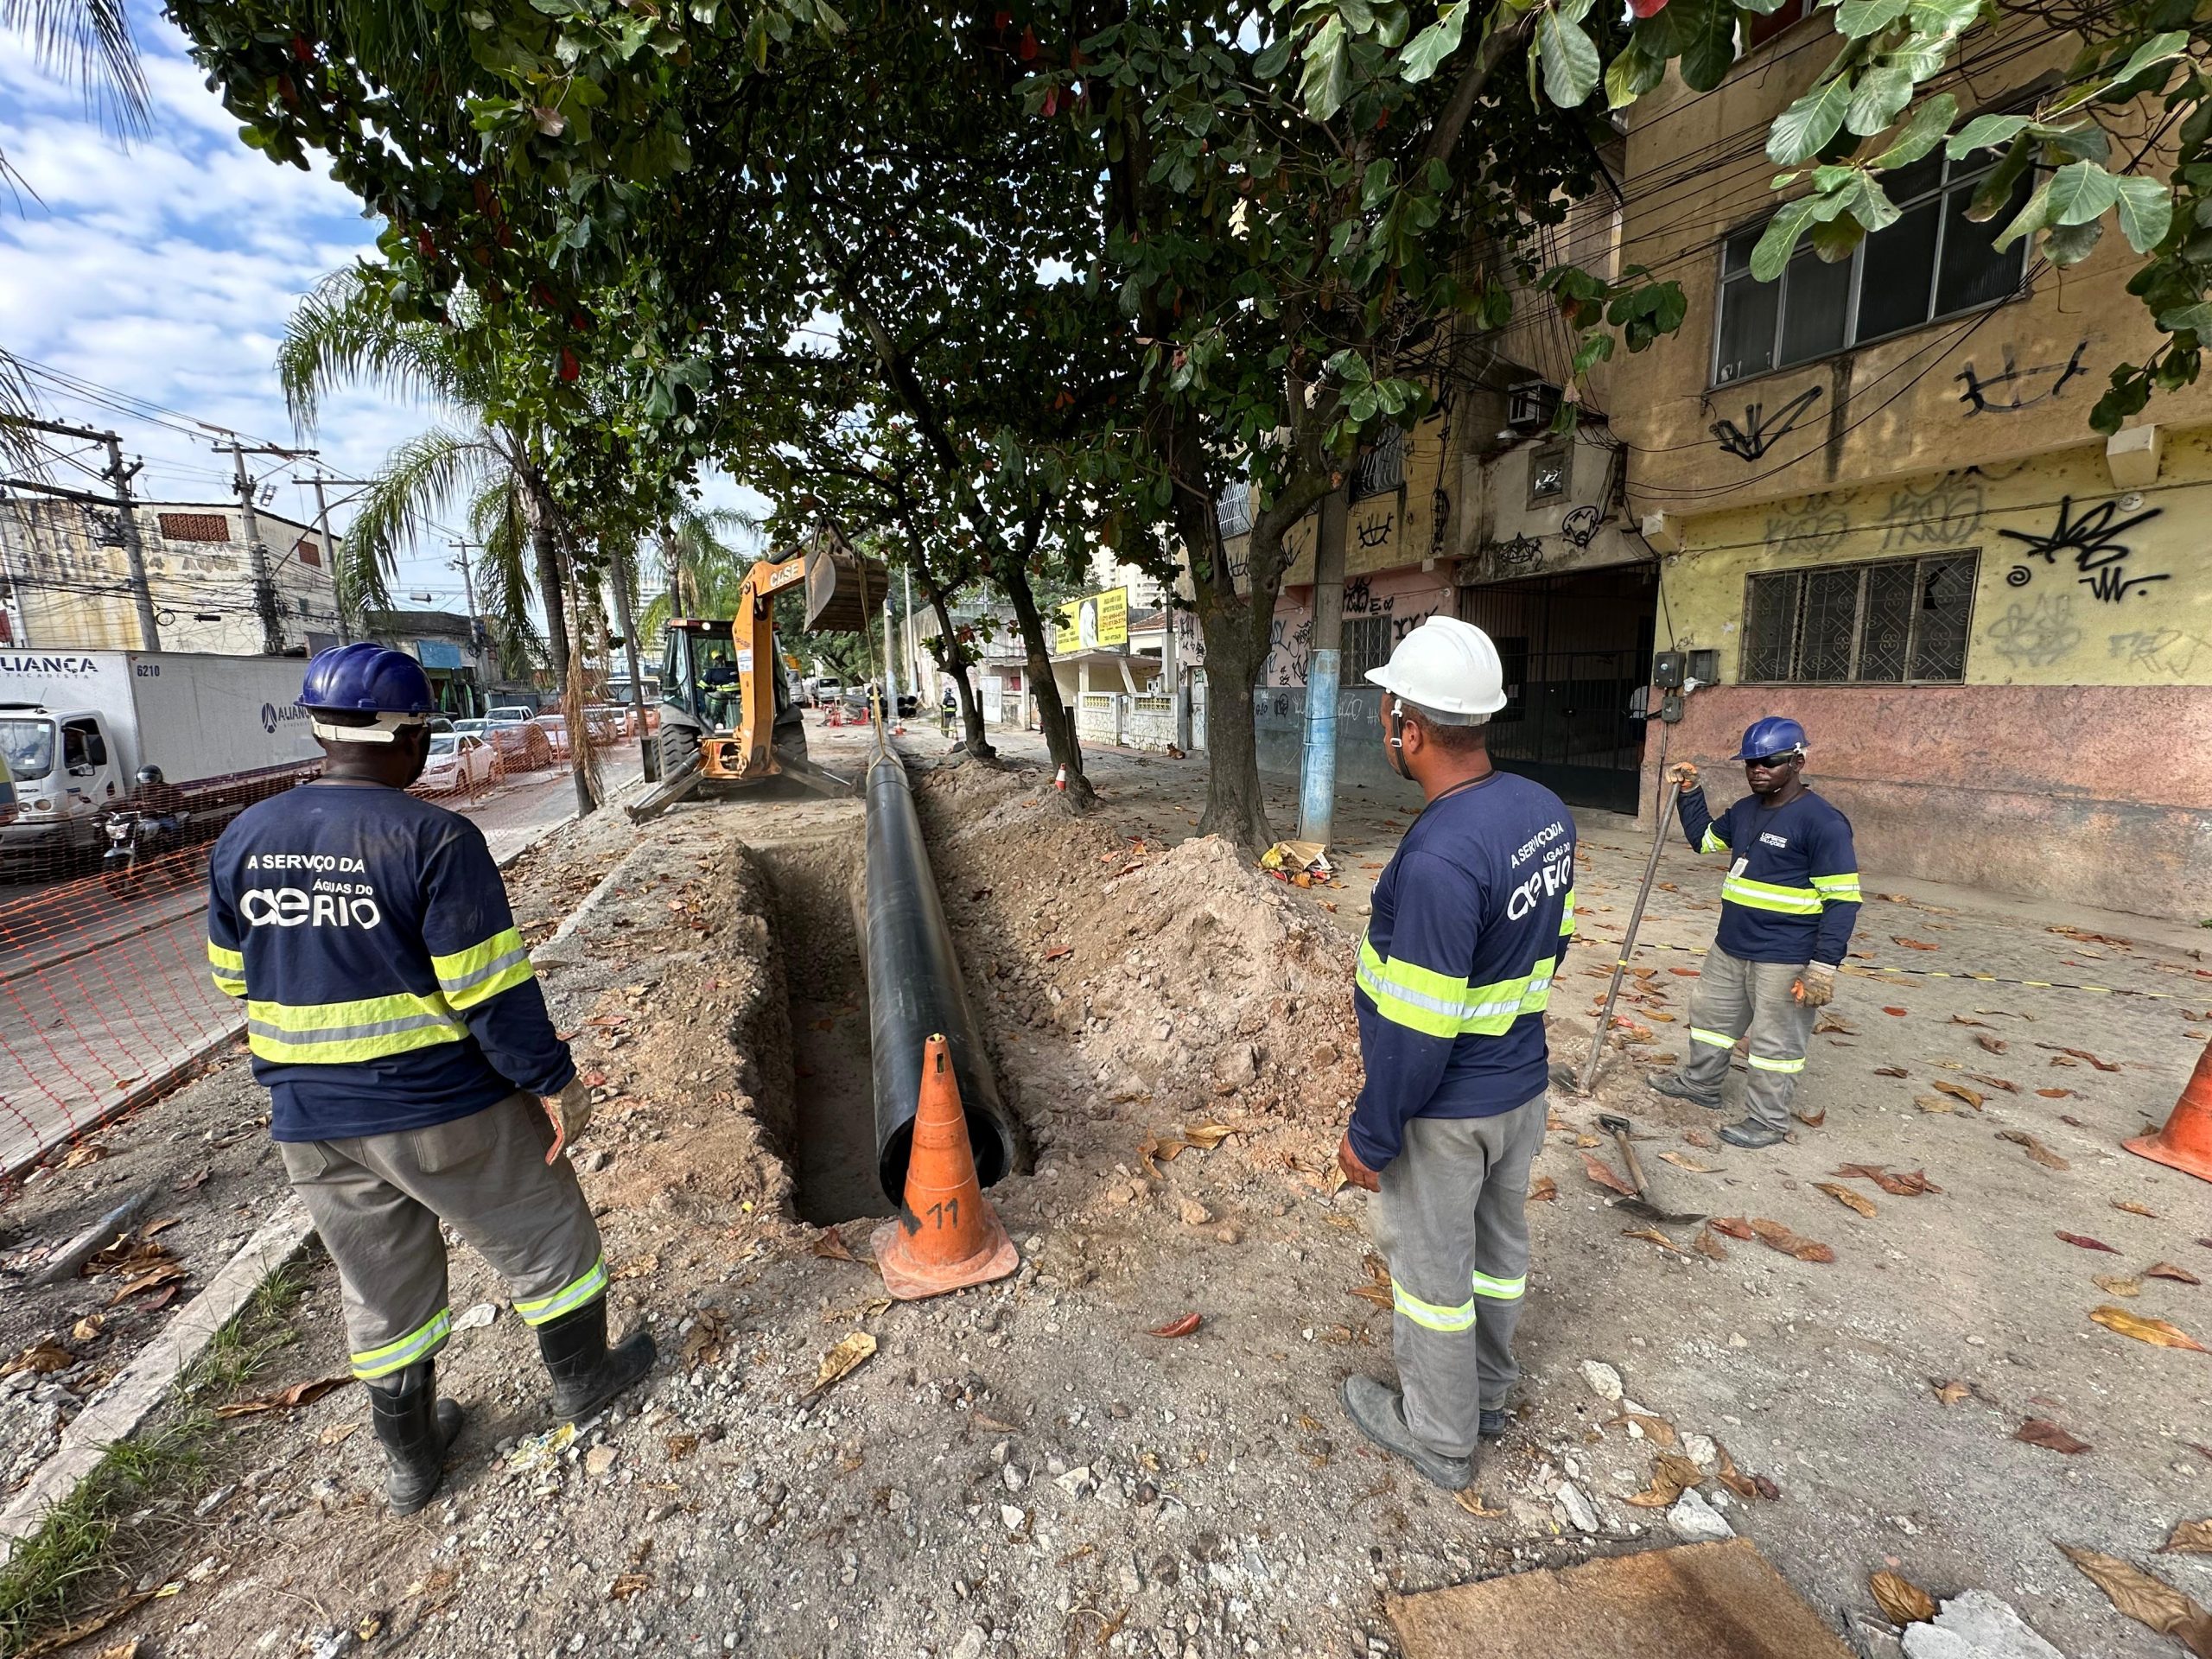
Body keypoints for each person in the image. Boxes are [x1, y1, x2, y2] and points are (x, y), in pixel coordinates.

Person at [206, 644, 655, 1516]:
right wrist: (552, 1080)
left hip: (312, 1121)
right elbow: (488, 988)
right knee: (546, 1237)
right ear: (410, 738)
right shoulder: (433, 838)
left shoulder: (245, 838)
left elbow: (235, 977)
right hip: (441, 1106)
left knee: (379, 1287)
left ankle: (412, 1463)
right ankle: (583, 1381)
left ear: (318, 730)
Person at [1334, 616, 1575, 1491]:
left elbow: (1420, 1025)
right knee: (1496, 1251)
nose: (1385, 724)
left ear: (1411, 726)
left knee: (1434, 1277)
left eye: (1388, 708)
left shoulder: (1439, 855)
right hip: (1519, 1088)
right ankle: (1486, 1393)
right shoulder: (1542, 813)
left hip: (1448, 1109)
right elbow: (1557, 944)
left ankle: (1438, 1435)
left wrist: (1372, 1132)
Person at [1647, 716, 1862, 1149]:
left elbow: (1843, 900)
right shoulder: (1745, 811)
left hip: (1785, 955)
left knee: (1774, 1042)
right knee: (1711, 1021)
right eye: (1751, 763)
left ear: (1797, 761)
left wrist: (1823, 968)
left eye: (1771, 761)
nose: (1758, 769)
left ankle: (1767, 1120)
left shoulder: (1822, 823)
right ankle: (1701, 1085)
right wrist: (1691, 792)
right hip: (1731, 946)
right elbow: (1704, 841)